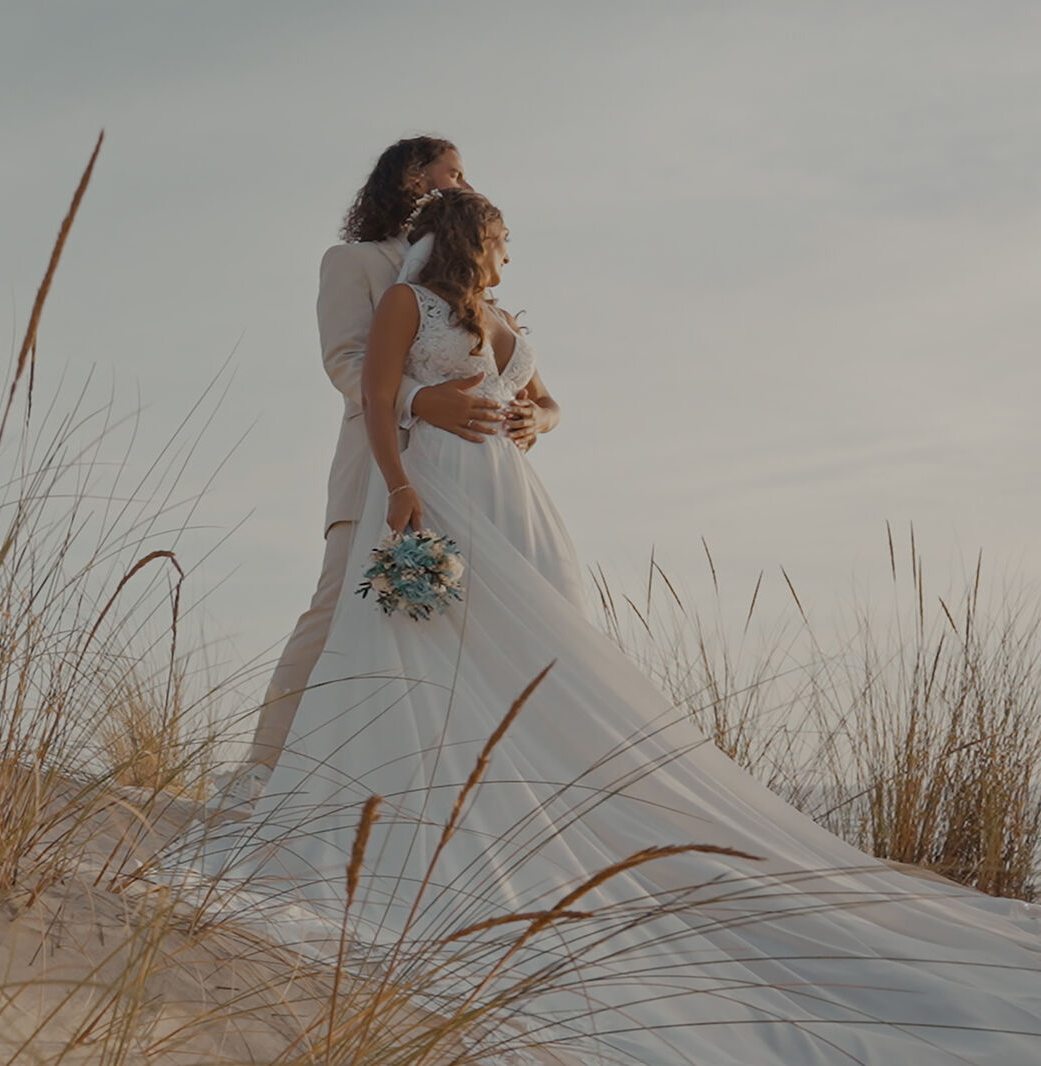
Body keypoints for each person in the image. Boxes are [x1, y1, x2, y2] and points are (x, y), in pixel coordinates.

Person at [181, 188, 1041, 1065]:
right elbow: (372, 392)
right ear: (473, 239)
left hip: (512, 501)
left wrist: (532, 415)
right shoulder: (407, 302)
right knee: (422, 654)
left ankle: (533, 805)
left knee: (532, 669)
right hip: (435, 488)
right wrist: (400, 487)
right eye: (503, 242)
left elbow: (547, 404)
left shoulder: (502, 320)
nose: (509, 259)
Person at [225, 137, 556, 806]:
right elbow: (346, 361)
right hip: (381, 462)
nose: (465, 182)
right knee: (335, 609)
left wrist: (532, 418)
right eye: (453, 171)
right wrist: (417, 400)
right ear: (414, 175)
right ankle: (265, 769)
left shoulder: (476, 277)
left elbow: (521, 381)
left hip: (478, 478)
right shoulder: (355, 263)